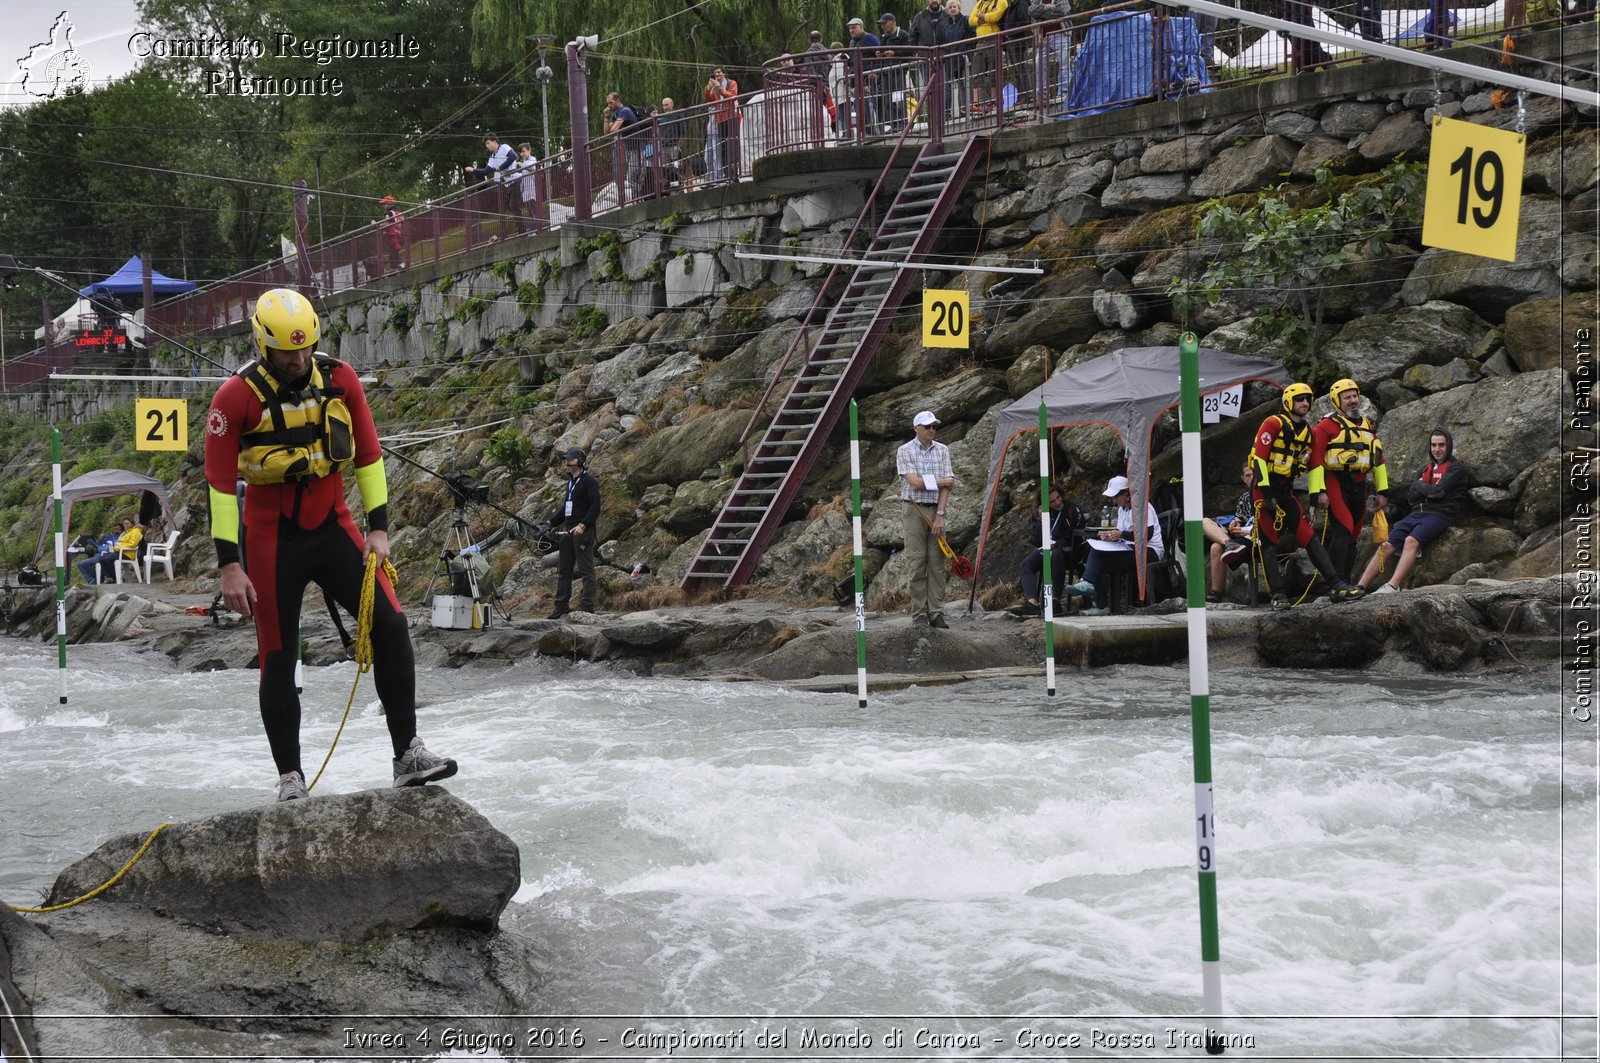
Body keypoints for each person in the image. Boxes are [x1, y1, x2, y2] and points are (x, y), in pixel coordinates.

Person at [204, 287, 455, 803]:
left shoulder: (340, 380)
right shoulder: (234, 399)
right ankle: (290, 778)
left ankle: (407, 754)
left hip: (334, 529)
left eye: (305, 349)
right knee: (278, 652)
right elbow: (220, 487)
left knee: (390, 623)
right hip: (271, 543)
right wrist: (230, 565)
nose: (297, 360)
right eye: (285, 352)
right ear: (261, 344)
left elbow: (368, 456)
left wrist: (379, 530)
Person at [1250, 382, 1361, 609]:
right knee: (1269, 541)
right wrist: (1268, 494)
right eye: (1300, 399)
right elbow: (1260, 459)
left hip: (1286, 490)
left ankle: (1337, 584)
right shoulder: (1273, 423)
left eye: (1307, 400)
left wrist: (1313, 499)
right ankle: (1278, 595)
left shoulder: (1309, 432)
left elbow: (1314, 467)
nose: (1304, 403)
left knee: (1308, 536)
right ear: (1289, 402)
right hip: (1264, 490)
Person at [1356, 428, 1470, 595]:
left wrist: (1420, 485)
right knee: (1386, 545)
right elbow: (1412, 497)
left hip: (1441, 514)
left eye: (1441, 445)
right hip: (1416, 513)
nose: (1437, 449)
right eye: (1434, 445)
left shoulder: (1456, 468)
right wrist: (1428, 489)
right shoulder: (1426, 468)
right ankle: (1360, 587)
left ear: (1449, 446)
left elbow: (1437, 493)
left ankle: (1393, 586)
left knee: (1411, 541)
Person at [1308, 378, 1388, 590]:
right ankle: (1336, 581)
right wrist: (1318, 493)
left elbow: (1378, 459)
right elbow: (1315, 460)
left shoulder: (1367, 424)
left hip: (1359, 484)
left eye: (1355, 396)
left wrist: (1382, 490)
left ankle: (1345, 581)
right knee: (1343, 529)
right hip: (1336, 481)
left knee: (1354, 533)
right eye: (1347, 398)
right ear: (1337, 401)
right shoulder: (1326, 426)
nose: (1353, 401)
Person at [1063, 475, 1163, 616]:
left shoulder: (1142, 506)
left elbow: (1147, 535)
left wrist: (1120, 535)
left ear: (1126, 494)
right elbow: (1122, 534)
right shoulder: (1122, 510)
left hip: (1149, 551)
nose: (1114, 500)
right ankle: (1096, 596)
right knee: (1097, 553)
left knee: (1098, 560)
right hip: (1129, 549)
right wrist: (1110, 537)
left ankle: (1094, 592)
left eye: (1116, 496)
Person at [897, 410, 956, 629]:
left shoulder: (943, 450)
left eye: (934, 426)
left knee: (937, 562)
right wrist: (942, 482)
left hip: (936, 509)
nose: (932, 429)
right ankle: (919, 613)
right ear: (917, 428)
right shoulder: (904, 451)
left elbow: (947, 485)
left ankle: (936, 612)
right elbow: (916, 484)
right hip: (913, 508)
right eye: (927, 426)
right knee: (917, 561)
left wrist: (940, 514)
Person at [1018, 483, 1085, 613]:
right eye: (1052, 501)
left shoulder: (1071, 509)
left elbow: (1075, 536)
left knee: (1057, 554)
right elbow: (1036, 540)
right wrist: (1041, 521)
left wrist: (1057, 543)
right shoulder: (1040, 513)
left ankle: (1055, 600)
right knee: (1026, 565)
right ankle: (1032, 602)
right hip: (1047, 548)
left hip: (1069, 551)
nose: (1058, 502)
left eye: (1058, 497)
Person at [550, 447, 600, 618]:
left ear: (579, 461)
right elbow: (566, 508)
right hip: (567, 531)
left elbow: (595, 507)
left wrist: (583, 525)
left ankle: (587, 606)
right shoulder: (570, 482)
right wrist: (550, 522)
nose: (567, 463)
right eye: (566, 460)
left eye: (570, 460)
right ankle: (561, 606)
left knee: (586, 569)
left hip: (582, 532)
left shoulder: (589, 481)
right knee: (564, 570)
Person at [1202, 460, 1255, 603]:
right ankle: (1216, 593)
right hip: (1241, 539)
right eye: (1248, 475)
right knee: (1206, 524)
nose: (1252, 478)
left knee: (1217, 546)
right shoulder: (1244, 498)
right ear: (1243, 479)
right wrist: (1235, 524)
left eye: (1254, 474)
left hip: (1257, 539)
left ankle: (1230, 544)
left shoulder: (1267, 496)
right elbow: (1239, 518)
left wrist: (1244, 530)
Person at [874, 13, 913, 132]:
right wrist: (879, 54)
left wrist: (895, 54)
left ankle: (903, 122)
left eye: (884, 23)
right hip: (886, 72)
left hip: (898, 71)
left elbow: (909, 51)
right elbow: (881, 49)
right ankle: (893, 123)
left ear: (893, 22)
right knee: (887, 99)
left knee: (898, 98)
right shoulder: (884, 37)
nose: (883, 26)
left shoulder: (903, 35)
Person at [968, 0, 1008, 114]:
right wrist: (985, 18)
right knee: (977, 73)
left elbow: (996, 16)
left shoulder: (1001, 1)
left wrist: (981, 16)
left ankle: (994, 102)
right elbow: (971, 20)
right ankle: (977, 104)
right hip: (980, 41)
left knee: (994, 72)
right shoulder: (980, 2)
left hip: (994, 39)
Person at [845, 19, 883, 134]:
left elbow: (880, 53)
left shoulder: (870, 38)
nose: (851, 30)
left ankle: (877, 131)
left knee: (872, 104)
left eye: (854, 27)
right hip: (857, 79)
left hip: (869, 78)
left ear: (861, 27)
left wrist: (875, 70)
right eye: (850, 28)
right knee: (860, 106)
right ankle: (866, 131)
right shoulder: (852, 42)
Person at [702, 67, 740, 183]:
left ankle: (734, 174)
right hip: (720, 119)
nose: (717, 75)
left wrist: (720, 90)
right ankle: (725, 175)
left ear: (724, 73)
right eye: (715, 73)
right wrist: (708, 89)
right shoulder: (715, 86)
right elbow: (709, 99)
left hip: (731, 117)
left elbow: (733, 96)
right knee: (723, 147)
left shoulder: (731, 83)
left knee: (732, 145)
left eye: (719, 72)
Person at [76, 518, 140, 585]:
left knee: (100, 560)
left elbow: (131, 544)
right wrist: (97, 547)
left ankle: (106, 578)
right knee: (82, 563)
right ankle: (95, 579)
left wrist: (115, 548)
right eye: (124, 524)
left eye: (127, 523)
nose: (115, 531)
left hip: (120, 553)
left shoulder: (130, 533)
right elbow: (101, 546)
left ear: (132, 524)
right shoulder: (110, 537)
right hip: (106, 553)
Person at [508, 143, 539, 231]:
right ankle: (534, 230)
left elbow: (533, 167)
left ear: (529, 150)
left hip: (532, 190)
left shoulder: (532, 159)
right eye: (520, 152)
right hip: (526, 192)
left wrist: (521, 165)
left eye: (523, 151)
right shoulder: (525, 162)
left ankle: (535, 230)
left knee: (533, 211)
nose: (522, 154)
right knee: (530, 211)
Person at [375, 195, 405, 271]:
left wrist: (376, 224)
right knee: (394, 251)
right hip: (400, 235)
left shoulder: (389, 213)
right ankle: (395, 267)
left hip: (392, 235)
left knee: (392, 252)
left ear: (389, 204)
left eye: (384, 204)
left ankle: (399, 266)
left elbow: (386, 224)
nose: (383, 206)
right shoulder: (399, 213)